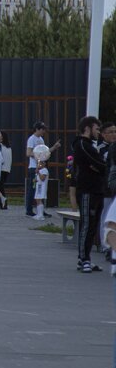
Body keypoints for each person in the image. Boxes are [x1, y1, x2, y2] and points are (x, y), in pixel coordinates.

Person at [73, 115, 106, 273]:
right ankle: (83, 259)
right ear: (87, 128)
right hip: (87, 190)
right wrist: (98, 167)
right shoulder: (82, 144)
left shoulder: (91, 146)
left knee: (93, 225)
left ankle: (86, 258)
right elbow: (100, 164)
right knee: (87, 224)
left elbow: (100, 165)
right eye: (97, 128)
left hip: (96, 190)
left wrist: (99, 167)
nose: (98, 132)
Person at [25, 122, 60, 218]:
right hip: (34, 167)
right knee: (33, 188)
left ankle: (41, 210)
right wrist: (38, 155)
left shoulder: (41, 139)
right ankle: (29, 210)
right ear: (37, 129)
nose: (44, 131)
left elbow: (45, 152)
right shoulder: (31, 139)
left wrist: (54, 147)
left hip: (41, 166)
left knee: (41, 190)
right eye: (42, 129)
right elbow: (28, 153)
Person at [32, 144, 50, 220]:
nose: (38, 165)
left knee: (39, 200)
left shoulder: (44, 170)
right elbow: (38, 179)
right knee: (37, 199)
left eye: (40, 163)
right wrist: (35, 179)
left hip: (41, 187)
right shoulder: (40, 170)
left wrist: (38, 172)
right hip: (38, 186)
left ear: (44, 164)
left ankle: (41, 215)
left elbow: (42, 178)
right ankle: (39, 214)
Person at [0, 130, 12, 209]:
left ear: (2, 137)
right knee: (0, 186)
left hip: (0, 169)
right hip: (7, 169)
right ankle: (1, 204)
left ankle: (2, 204)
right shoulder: (8, 147)